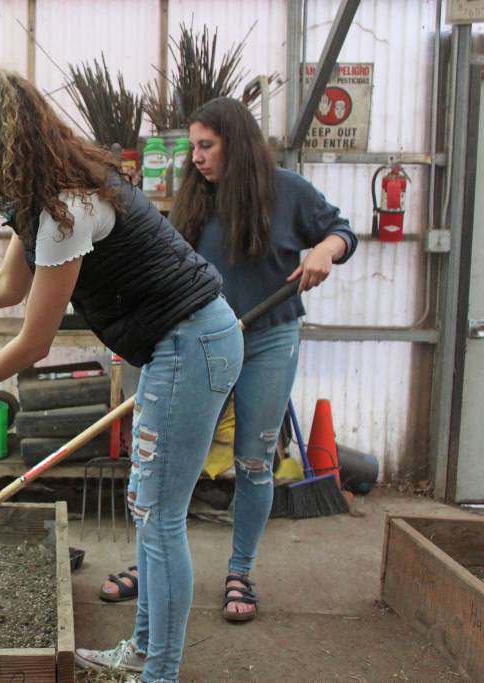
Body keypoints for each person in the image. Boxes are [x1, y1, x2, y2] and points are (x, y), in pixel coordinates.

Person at [0, 68, 243, 683]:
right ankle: (143, 655)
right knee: (146, 508)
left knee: (160, 516)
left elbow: (34, 341)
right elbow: (6, 285)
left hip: (193, 345)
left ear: (3, 151)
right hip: (173, 347)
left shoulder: (67, 207)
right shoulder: (40, 197)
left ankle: (159, 673)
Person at [93, 96, 357, 633]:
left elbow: (342, 231)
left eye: (206, 146)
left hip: (267, 339)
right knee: (164, 461)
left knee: (254, 460)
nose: (196, 158)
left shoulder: (288, 191)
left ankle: (240, 571)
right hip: (200, 345)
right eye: (192, 147)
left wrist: (325, 250)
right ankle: (154, 565)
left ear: (235, 143)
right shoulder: (191, 201)